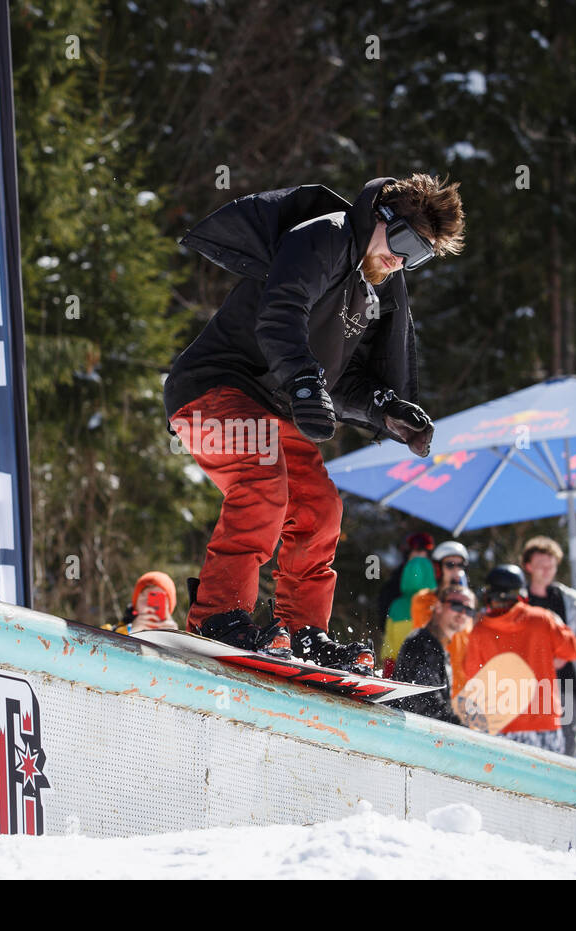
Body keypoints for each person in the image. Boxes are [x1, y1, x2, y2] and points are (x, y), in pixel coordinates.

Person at [166, 174, 465, 672]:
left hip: (273, 406)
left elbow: (340, 381)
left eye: (420, 256)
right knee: (263, 483)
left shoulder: (369, 293)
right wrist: (304, 383)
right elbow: (281, 314)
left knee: (320, 509)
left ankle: (305, 633)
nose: (402, 260)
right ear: (380, 218)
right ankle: (218, 615)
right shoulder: (324, 237)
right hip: (215, 388)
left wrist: (383, 408)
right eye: (406, 242)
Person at [464, 565, 576, 752]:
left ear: (489, 596)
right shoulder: (542, 619)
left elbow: (471, 675)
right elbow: (572, 650)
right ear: (521, 594)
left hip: (502, 727)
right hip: (544, 724)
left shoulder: (479, 631)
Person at [522, 536, 576, 757]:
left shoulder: (570, 600)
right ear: (528, 566)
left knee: (568, 739)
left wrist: (565, 655)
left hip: (566, 683)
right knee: (532, 745)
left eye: (551, 565)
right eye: (541, 565)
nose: (546, 570)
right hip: (529, 687)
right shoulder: (518, 601)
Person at [387, 585, 475, 724]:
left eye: (469, 610)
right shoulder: (422, 644)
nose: (463, 613)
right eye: (457, 606)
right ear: (439, 606)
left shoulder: (437, 647)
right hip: (405, 733)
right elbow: (426, 705)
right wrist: (465, 730)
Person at [381, 554, 438, 677]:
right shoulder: (435, 604)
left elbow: (389, 642)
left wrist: (388, 665)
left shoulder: (396, 604)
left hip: (398, 665)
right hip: (426, 668)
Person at [375, 531, 435, 642]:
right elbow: (384, 614)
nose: (419, 556)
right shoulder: (395, 582)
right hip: (400, 629)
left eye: (423, 552)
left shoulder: (435, 576)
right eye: (416, 551)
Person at [105, 571, 180, 636]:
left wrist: (175, 639)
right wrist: (130, 631)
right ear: (135, 603)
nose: (149, 604)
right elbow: (99, 648)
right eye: (144, 597)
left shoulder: (180, 638)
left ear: (169, 606)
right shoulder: (107, 631)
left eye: (158, 599)